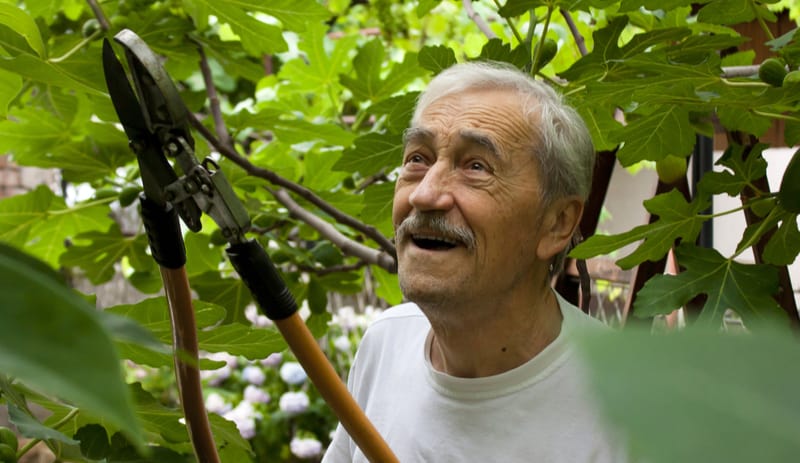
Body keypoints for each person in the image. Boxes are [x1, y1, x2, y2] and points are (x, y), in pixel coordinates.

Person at [322, 61, 623, 462]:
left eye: (476, 167)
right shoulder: (386, 343)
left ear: (557, 223)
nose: (424, 195)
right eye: (418, 159)